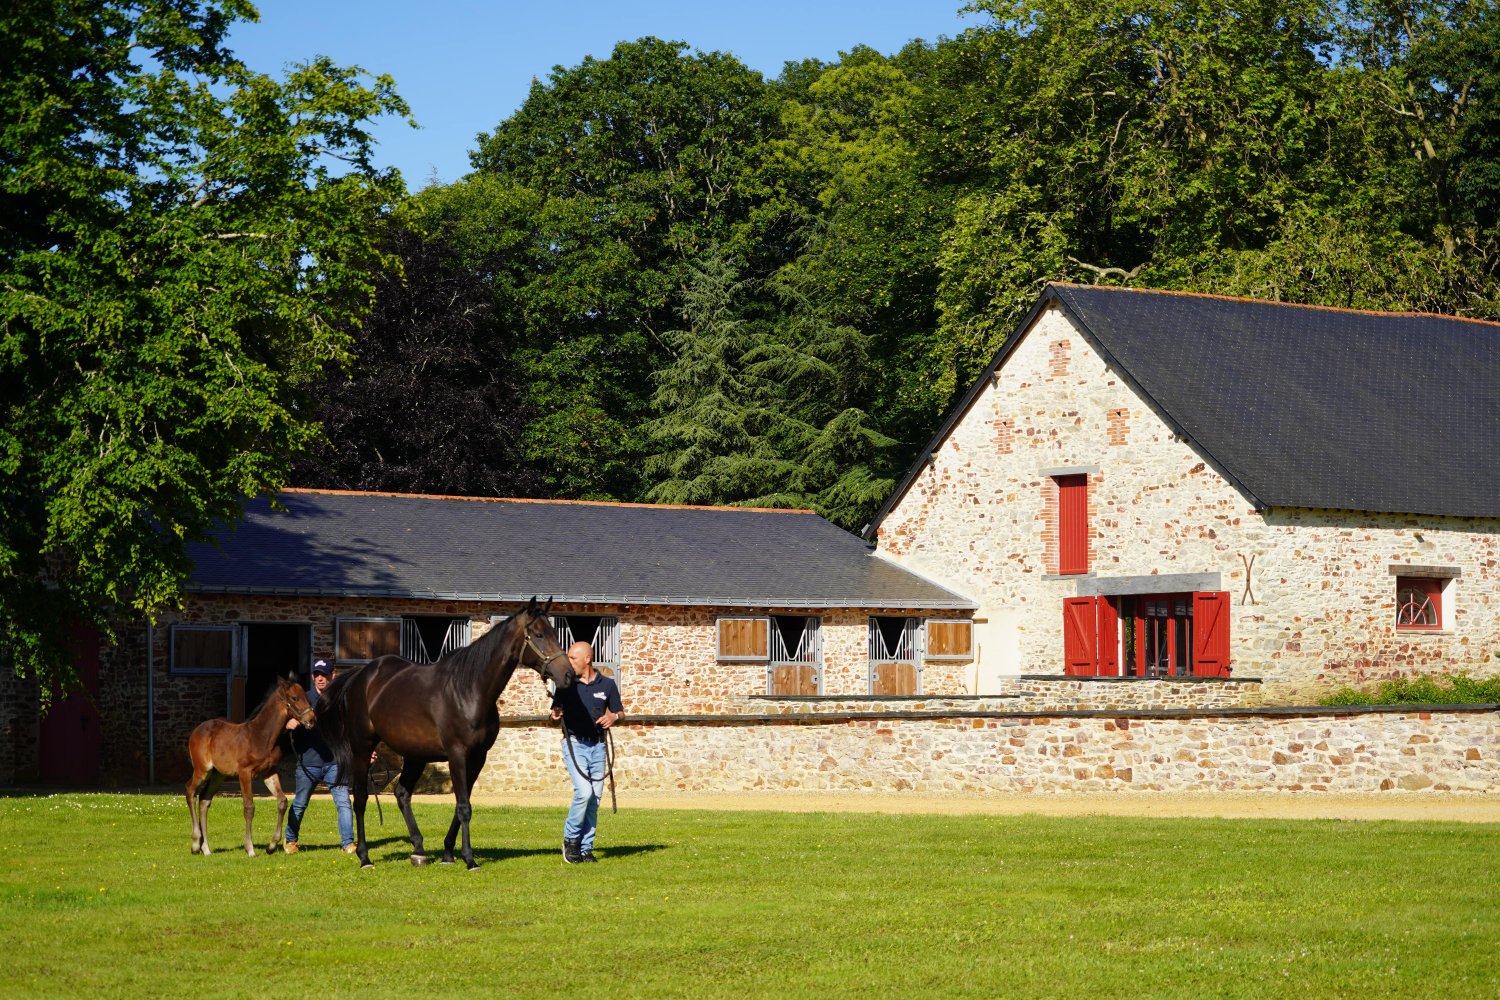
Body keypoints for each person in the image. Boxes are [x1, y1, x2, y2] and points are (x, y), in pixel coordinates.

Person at [549, 640, 623, 864]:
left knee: (594, 800)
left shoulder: (608, 685)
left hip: (598, 747)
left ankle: (585, 848)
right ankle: (570, 841)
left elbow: (620, 712)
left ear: (587, 659)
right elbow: (553, 717)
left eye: (572, 658)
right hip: (575, 745)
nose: (568, 662)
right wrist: (555, 715)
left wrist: (613, 717)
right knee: (583, 792)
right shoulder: (565, 685)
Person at [284, 658, 355, 854]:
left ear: (333, 675)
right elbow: (281, 720)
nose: (320, 678)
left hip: (334, 763)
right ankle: (290, 840)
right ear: (313, 677)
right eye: (317, 675)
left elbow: (350, 730)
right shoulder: (303, 699)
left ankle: (348, 844)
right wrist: (287, 724)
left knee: (343, 802)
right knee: (300, 803)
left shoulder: (340, 700)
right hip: (308, 763)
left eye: (324, 674)